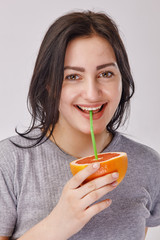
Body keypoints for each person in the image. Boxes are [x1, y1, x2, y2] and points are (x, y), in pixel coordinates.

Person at [0, 10, 160, 240]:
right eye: (73, 76)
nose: (92, 93)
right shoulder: (9, 163)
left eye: (105, 73)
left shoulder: (147, 165)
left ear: (122, 79)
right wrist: (58, 225)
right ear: (48, 84)